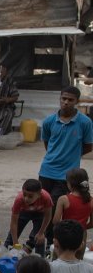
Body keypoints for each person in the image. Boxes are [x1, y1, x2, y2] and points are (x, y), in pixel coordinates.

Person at [39, 86, 93, 214]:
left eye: (70, 99)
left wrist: (72, 155)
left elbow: (89, 146)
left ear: (77, 102)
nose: (66, 102)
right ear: (60, 99)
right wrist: (55, 154)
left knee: (55, 205)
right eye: (63, 98)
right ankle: (42, 233)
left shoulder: (85, 122)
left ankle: (51, 234)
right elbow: (47, 143)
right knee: (43, 205)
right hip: (46, 171)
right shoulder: (49, 121)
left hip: (67, 175)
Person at [7, 179, 54, 253]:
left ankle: (39, 259)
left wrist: (41, 232)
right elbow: (14, 223)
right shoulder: (19, 199)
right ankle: (6, 253)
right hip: (24, 212)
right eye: (24, 194)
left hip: (40, 213)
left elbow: (48, 216)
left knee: (39, 238)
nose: (26, 199)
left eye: (30, 196)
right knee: (11, 239)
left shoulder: (46, 197)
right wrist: (15, 243)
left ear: (39, 194)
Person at [0, 65, 20, 134]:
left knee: (7, 113)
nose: (0, 73)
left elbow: (15, 97)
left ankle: (1, 133)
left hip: (6, 106)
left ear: (5, 72)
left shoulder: (10, 82)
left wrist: (6, 99)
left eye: (2, 71)